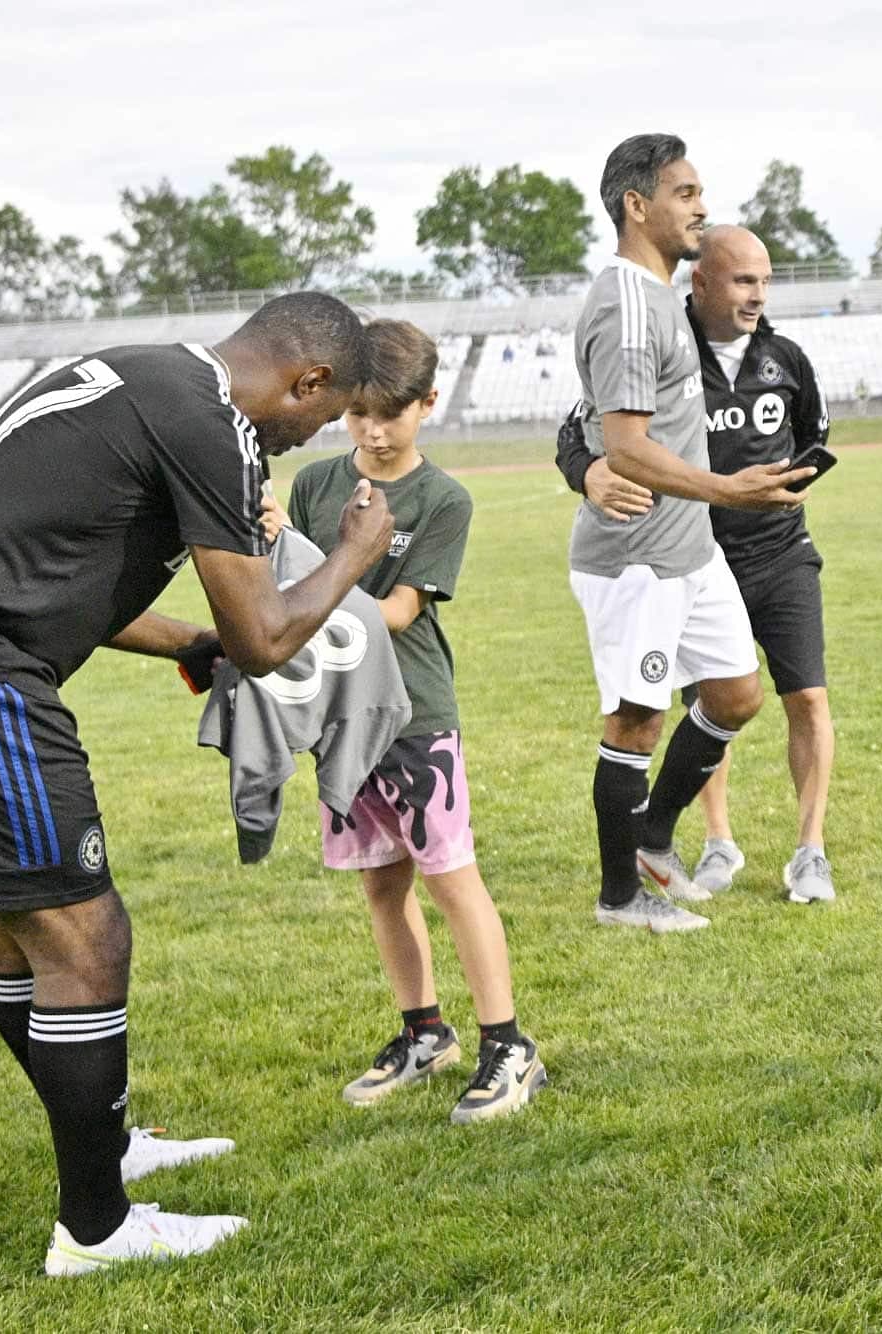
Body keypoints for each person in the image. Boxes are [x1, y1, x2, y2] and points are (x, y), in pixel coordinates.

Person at [0, 293, 395, 1275]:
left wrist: (188, 641)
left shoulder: (146, 372)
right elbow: (266, 640)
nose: (315, 435)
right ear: (306, 381)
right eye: (326, 411)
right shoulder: (209, 417)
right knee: (86, 938)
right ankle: (95, 1225)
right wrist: (354, 554)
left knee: (20, 934)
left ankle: (109, 1147)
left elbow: (55, 565)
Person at [281, 319, 546, 1124]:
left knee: (451, 878)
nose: (374, 430)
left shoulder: (441, 500)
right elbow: (288, 590)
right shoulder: (315, 486)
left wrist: (326, 580)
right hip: (344, 719)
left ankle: (508, 1046)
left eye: (392, 413)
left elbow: (396, 611)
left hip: (415, 717)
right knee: (382, 885)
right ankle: (424, 1031)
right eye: (360, 413)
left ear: (428, 403)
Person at [567, 133, 809, 932]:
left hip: (688, 550)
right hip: (637, 556)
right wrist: (726, 489)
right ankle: (620, 898)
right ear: (637, 206)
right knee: (637, 717)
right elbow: (627, 444)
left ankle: (653, 840)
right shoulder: (629, 303)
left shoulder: (659, 296)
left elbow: (596, 422)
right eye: (684, 192)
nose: (700, 205)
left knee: (737, 693)